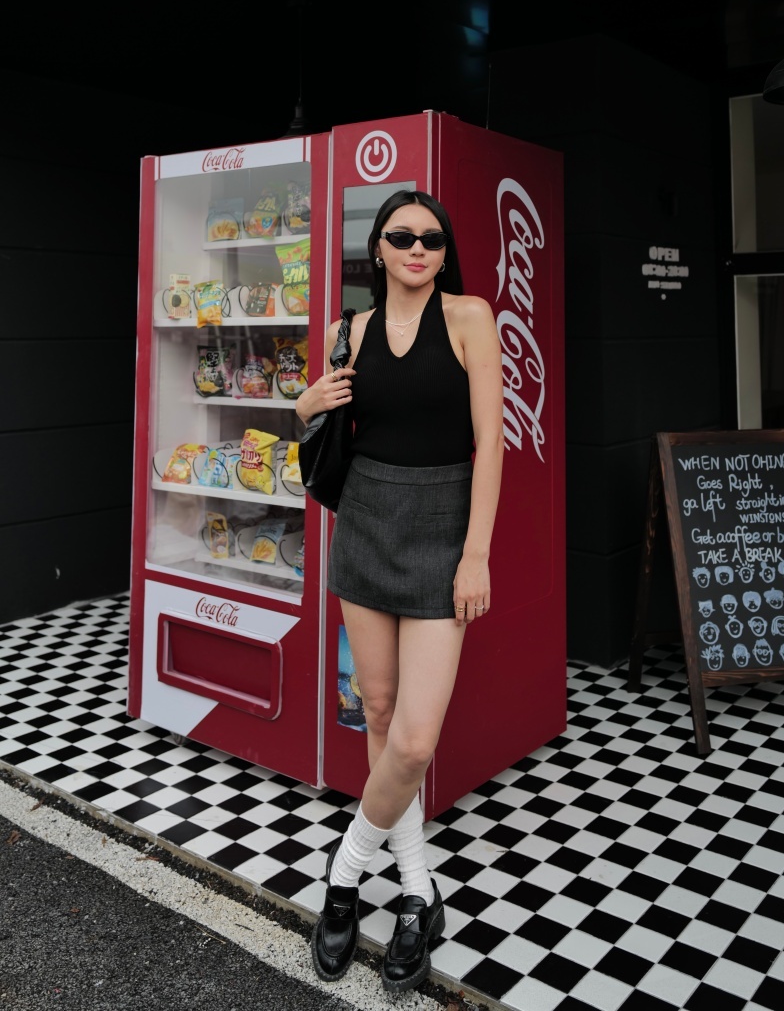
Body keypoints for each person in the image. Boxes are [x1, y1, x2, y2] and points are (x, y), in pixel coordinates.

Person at [295, 189, 504, 994]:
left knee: (414, 741)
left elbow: (491, 444)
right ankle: (419, 891)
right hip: (365, 527)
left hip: (444, 531)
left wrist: (476, 554)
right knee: (377, 715)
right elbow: (319, 418)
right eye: (402, 235)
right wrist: (303, 402)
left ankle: (343, 876)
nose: (418, 247)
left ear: (445, 253)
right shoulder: (347, 330)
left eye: (432, 238)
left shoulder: (470, 317)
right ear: (377, 250)